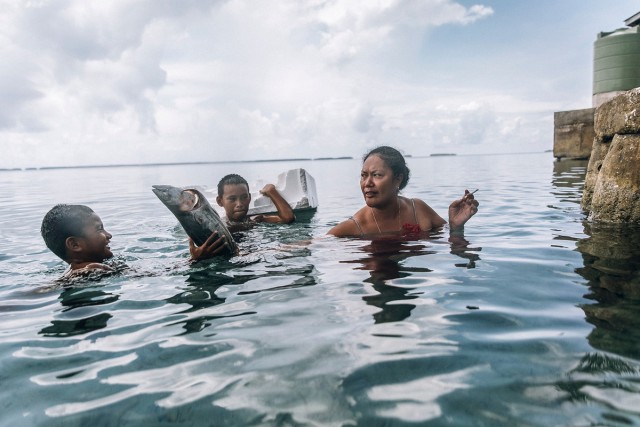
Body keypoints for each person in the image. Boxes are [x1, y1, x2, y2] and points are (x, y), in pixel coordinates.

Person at [327, 146, 479, 237]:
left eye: (376, 175)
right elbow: (317, 246)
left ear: (398, 179)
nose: (367, 183)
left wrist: (456, 227)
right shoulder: (354, 226)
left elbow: (450, 247)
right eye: (363, 175)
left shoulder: (418, 209)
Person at [189, 174, 296, 260]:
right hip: (235, 260)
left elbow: (287, 218)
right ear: (220, 201)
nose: (239, 203)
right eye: (232, 199)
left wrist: (271, 191)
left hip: (258, 255)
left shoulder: (256, 219)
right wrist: (196, 258)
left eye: (244, 197)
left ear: (249, 198)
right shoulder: (221, 228)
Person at [41, 204, 115, 277]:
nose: (109, 235)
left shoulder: (70, 272)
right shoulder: (94, 269)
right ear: (75, 244)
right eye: (99, 229)